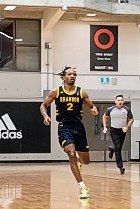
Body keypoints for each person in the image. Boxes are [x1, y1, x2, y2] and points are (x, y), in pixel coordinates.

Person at [40, 66, 98, 199]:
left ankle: (79, 161)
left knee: (86, 161)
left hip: (79, 128)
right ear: (64, 77)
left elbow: (92, 106)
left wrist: (94, 110)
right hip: (64, 127)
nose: (72, 76)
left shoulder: (82, 93)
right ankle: (83, 187)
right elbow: (43, 105)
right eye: (69, 74)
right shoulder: (56, 92)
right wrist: (45, 116)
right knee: (71, 153)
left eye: (74, 74)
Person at [102, 95, 134, 174]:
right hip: (114, 130)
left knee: (118, 147)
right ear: (115, 102)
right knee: (118, 147)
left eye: (121, 100)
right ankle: (120, 166)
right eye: (118, 100)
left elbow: (131, 119)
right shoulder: (110, 109)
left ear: (123, 102)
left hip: (122, 130)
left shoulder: (126, 109)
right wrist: (105, 127)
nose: (119, 102)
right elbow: (104, 116)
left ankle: (112, 149)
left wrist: (127, 127)